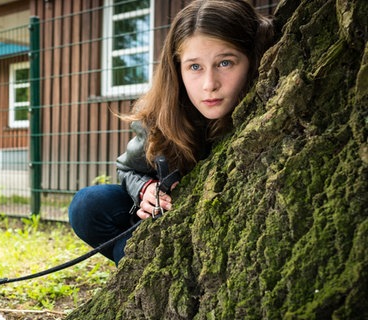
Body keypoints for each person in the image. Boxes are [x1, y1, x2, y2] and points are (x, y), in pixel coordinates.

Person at [68, 0, 275, 265]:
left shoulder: (266, 108)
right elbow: (127, 169)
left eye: (225, 63)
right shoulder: (161, 116)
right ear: (177, 69)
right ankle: (136, 261)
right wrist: (146, 189)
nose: (209, 84)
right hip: (163, 217)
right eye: (195, 67)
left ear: (253, 58)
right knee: (89, 203)